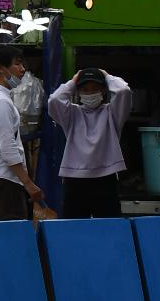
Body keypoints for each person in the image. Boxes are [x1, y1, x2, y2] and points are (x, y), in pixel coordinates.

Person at [46, 67, 133, 219]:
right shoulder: (72, 114)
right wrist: (73, 81)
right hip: (75, 180)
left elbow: (123, 91)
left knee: (109, 228)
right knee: (74, 229)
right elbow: (54, 100)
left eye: (95, 89)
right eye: (85, 89)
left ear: (104, 91)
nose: (90, 93)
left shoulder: (112, 113)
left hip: (106, 178)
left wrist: (107, 76)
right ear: (78, 92)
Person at [0, 45, 45, 222]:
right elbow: (7, 147)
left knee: (1, 236)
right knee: (11, 238)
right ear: (1, 68)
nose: (22, 69)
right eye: (17, 64)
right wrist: (28, 183)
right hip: (4, 180)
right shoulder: (0, 102)